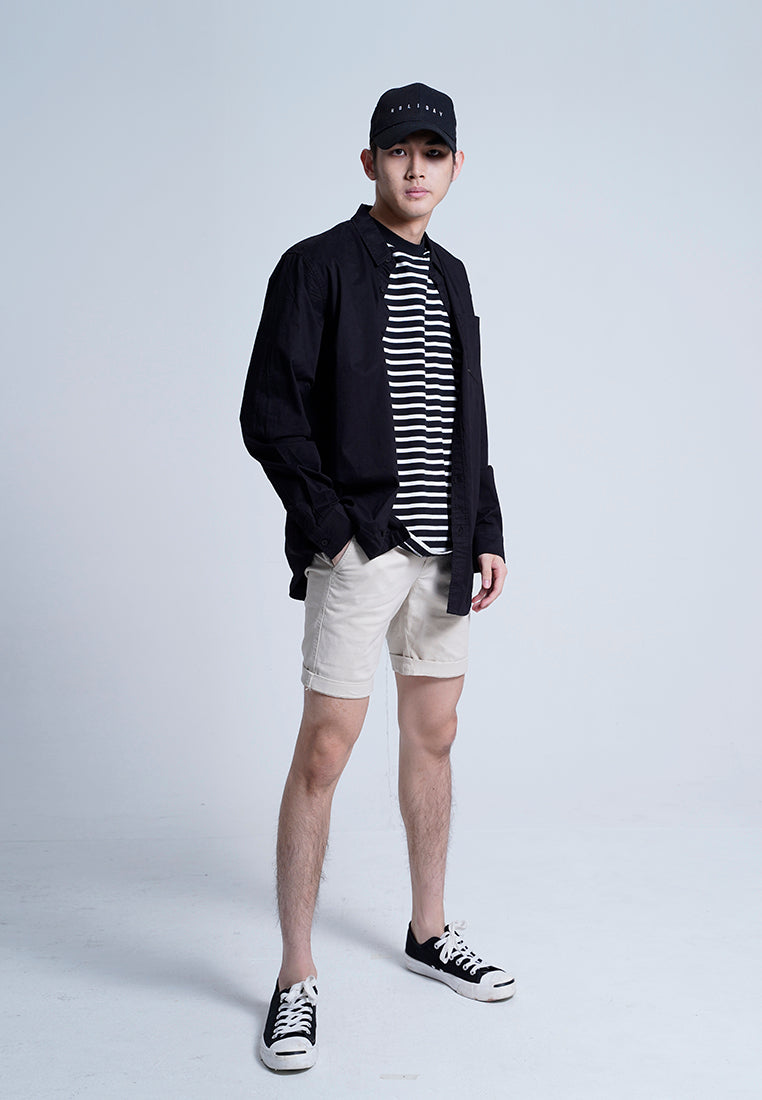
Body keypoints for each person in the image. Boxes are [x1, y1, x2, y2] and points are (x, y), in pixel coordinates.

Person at [240, 82, 514, 1073]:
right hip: (360, 547)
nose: (415, 168)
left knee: (435, 733)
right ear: (370, 163)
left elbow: (464, 416)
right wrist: (334, 532)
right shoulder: (316, 265)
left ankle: (428, 930)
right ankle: (295, 977)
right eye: (399, 151)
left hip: (444, 551)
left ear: (455, 167)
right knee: (325, 747)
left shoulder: (452, 275)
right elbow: (269, 410)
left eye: (433, 153)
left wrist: (485, 528)